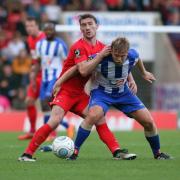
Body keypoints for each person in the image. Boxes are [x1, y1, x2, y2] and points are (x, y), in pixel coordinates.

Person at [18, 13, 137, 162]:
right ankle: (27, 154)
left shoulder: (102, 47)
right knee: (55, 120)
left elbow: (120, 63)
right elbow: (82, 70)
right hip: (66, 91)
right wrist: (59, 83)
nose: (87, 27)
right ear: (80, 28)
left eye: (90, 24)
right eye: (83, 25)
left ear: (96, 26)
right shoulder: (78, 47)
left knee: (98, 118)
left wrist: (130, 79)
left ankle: (117, 151)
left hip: (79, 94)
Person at [70, 37, 171, 160]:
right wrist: (60, 82)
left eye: (122, 56)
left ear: (127, 53)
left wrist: (143, 73)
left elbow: (138, 59)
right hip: (102, 93)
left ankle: (158, 154)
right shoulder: (100, 57)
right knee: (92, 116)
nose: (119, 59)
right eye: (116, 55)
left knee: (149, 122)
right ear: (111, 50)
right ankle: (74, 152)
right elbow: (81, 69)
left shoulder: (132, 55)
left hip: (124, 94)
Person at [18, 17, 74, 141]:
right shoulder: (35, 42)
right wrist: (32, 76)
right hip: (41, 77)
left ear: (38, 27)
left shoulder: (57, 43)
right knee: (37, 103)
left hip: (54, 77)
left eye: (31, 25)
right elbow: (36, 61)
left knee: (48, 101)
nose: (29, 29)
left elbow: (67, 61)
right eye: (27, 26)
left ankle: (53, 132)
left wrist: (66, 78)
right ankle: (53, 129)